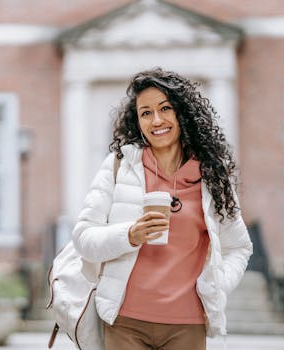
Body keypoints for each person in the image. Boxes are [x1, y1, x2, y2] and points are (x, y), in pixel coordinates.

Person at [71, 68, 253, 350]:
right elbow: (83, 237)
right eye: (146, 112)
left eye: (165, 108)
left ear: (183, 113)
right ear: (138, 121)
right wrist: (129, 235)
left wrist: (216, 285)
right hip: (124, 322)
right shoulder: (119, 165)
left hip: (187, 325)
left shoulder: (212, 176)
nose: (156, 120)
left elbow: (239, 246)